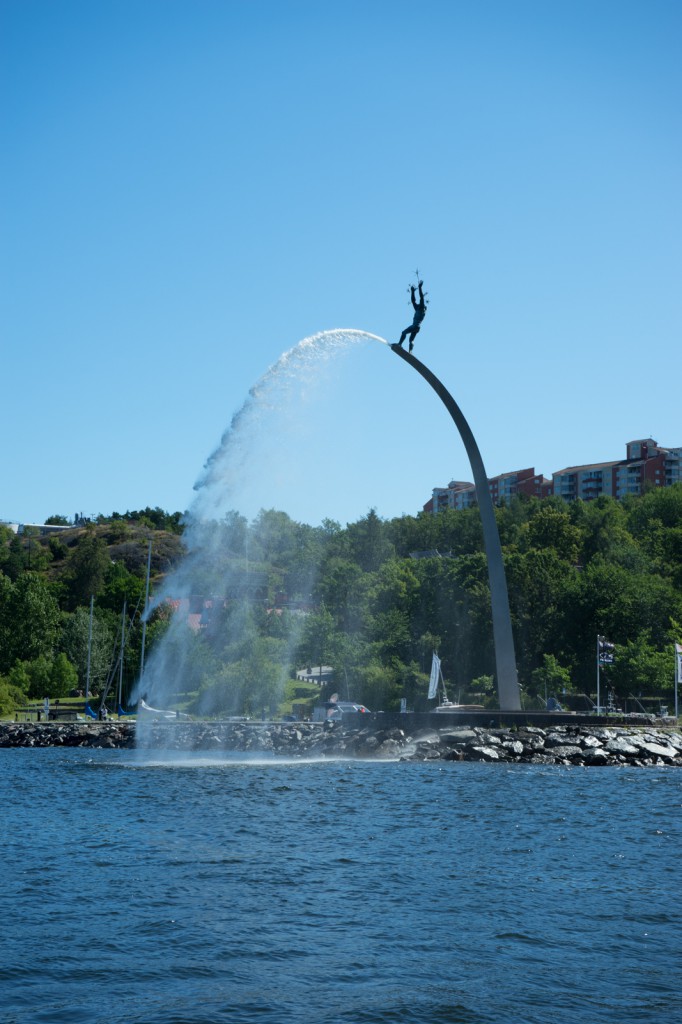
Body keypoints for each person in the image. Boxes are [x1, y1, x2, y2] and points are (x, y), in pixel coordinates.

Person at [397, 279, 427, 352]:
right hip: (417, 328)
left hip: (415, 326)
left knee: (404, 333)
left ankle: (399, 344)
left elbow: (421, 298)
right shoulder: (418, 308)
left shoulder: (422, 309)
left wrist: (420, 287)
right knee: (411, 339)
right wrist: (413, 291)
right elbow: (413, 301)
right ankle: (410, 351)